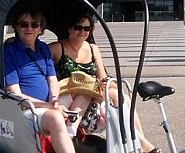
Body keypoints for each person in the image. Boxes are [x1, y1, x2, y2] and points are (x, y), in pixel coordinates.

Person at [48, 12, 162, 153]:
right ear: (69, 29)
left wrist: (103, 84)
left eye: (86, 29)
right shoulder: (57, 48)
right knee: (114, 98)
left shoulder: (92, 49)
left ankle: (139, 143)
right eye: (78, 27)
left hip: (93, 99)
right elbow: (38, 62)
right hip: (71, 101)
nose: (82, 32)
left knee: (121, 96)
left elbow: (104, 79)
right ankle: (142, 146)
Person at [4, 9, 76, 153]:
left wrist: (54, 100)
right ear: (17, 27)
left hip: (49, 104)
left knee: (93, 97)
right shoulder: (9, 51)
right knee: (56, 118)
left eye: (34, 25)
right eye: (24, 24)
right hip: (24, 108)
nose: (29, 28)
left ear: (41, 28)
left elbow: (52, 79)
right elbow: (15, 93)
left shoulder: (42, 47)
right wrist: (50, 106)